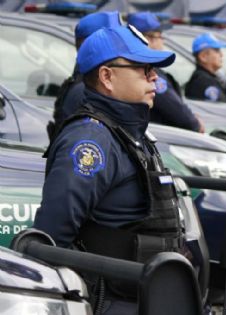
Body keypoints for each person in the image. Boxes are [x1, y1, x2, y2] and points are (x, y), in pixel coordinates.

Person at [33, 26, 182, 314]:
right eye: (143, 68)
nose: (155, 77)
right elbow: (52, 235)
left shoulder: (130, 131)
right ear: (107, 77)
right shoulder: (91, 141)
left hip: (147, 296)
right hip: (115, 301)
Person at [48, 11, 123, 140]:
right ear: (94, 45)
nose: (122, 45)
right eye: (115, 40)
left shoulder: (89, 82)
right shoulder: (86, 90)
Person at [128, 12, 204, 132]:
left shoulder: (132, 66)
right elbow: (175, 109)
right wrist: (195, 124)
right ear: (148, 39)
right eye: (160, 37)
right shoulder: (149, 71)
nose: (162, 41)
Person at [184, 33, 226, 102]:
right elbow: (223, 108)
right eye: (217, 51)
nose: (221, 55)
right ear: (203, 57)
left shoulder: (208, 77)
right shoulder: (203, 81)